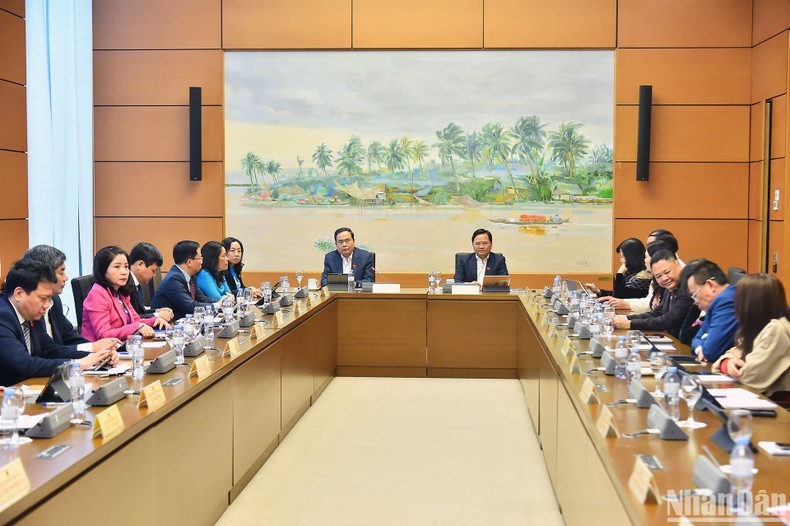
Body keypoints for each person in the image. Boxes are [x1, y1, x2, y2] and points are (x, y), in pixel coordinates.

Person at [0, 258, 117, 386]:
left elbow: (53, 351)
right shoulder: (3, 317)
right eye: (43, 298)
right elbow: (24, 364)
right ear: (19, 294)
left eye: (49, 298)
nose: (46, 305)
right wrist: (76, 364)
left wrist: (97, 357)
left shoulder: (31, 315)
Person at [24, 244, 120, 352]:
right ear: (44, 274)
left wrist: (99, 350)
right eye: (61, 272)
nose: (66, 277)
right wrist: (92, 351)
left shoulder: (55, 301)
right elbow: (48, 353)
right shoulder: (30, 307)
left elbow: (71, 337)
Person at [712, 274, 790, 397]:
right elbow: (727, 357)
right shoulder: (755, 326)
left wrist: (732, 365)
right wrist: (727, 362)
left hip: (777, 406)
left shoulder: (776, 329)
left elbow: (747, 377)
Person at [81, 246, 169, 341]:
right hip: (99, 352)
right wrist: (137, 327)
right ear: (103, 270)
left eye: (126, 267)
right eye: (117, 267)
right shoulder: (97, 294)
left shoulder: (121, 292)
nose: (124, 272)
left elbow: (135, 320)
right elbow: (104, 335)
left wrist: (154, 321)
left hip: (121, 347)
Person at [613, 250, 700, 344]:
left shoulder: (687, 289)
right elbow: (657, 313)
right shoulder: (669, 287)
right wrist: (625, 319)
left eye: (667, 272)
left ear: (677, 264)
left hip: (685, 345)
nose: (664, 278)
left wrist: (630, 324)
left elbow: (668, 320)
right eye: (658, 276)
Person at [599, 229, 681, 313]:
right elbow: (652, 304)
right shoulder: (653, 273)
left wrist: (630, 320)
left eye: (651, 245)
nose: (645, 259)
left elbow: (666, 316)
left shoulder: (648, 275)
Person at [687, 260, 738, 363]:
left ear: (710, 285)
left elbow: (711, 352)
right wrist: (701, 348)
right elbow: (696, 338)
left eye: (695, 295)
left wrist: (705, 338)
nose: (695, 301)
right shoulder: (717, 303)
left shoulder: (727, 301)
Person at [151, 240, 213, 320]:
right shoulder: (173, 279)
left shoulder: (191, 276)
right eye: (200, 258)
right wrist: (217, 305)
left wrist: (220, 303)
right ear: (189, 262)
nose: (201, 262)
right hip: (167, 325)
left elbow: (202, 298)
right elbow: (191, 307)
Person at [585, 238, 651, 299]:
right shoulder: (632, 272)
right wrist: (598, 291)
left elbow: (618, 297)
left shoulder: (643, 277)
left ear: (631, 257)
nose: (620, 260)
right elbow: (619, 293)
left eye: (622, 256)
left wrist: (619, 273)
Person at [128, 242, 174, 321]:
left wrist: (157, 311)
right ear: (140, 264)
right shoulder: (125, 284)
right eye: (153, 270)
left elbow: (140, 311)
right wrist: (158, 315)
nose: (154, 275)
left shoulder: (136, 284)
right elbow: (131, 318)